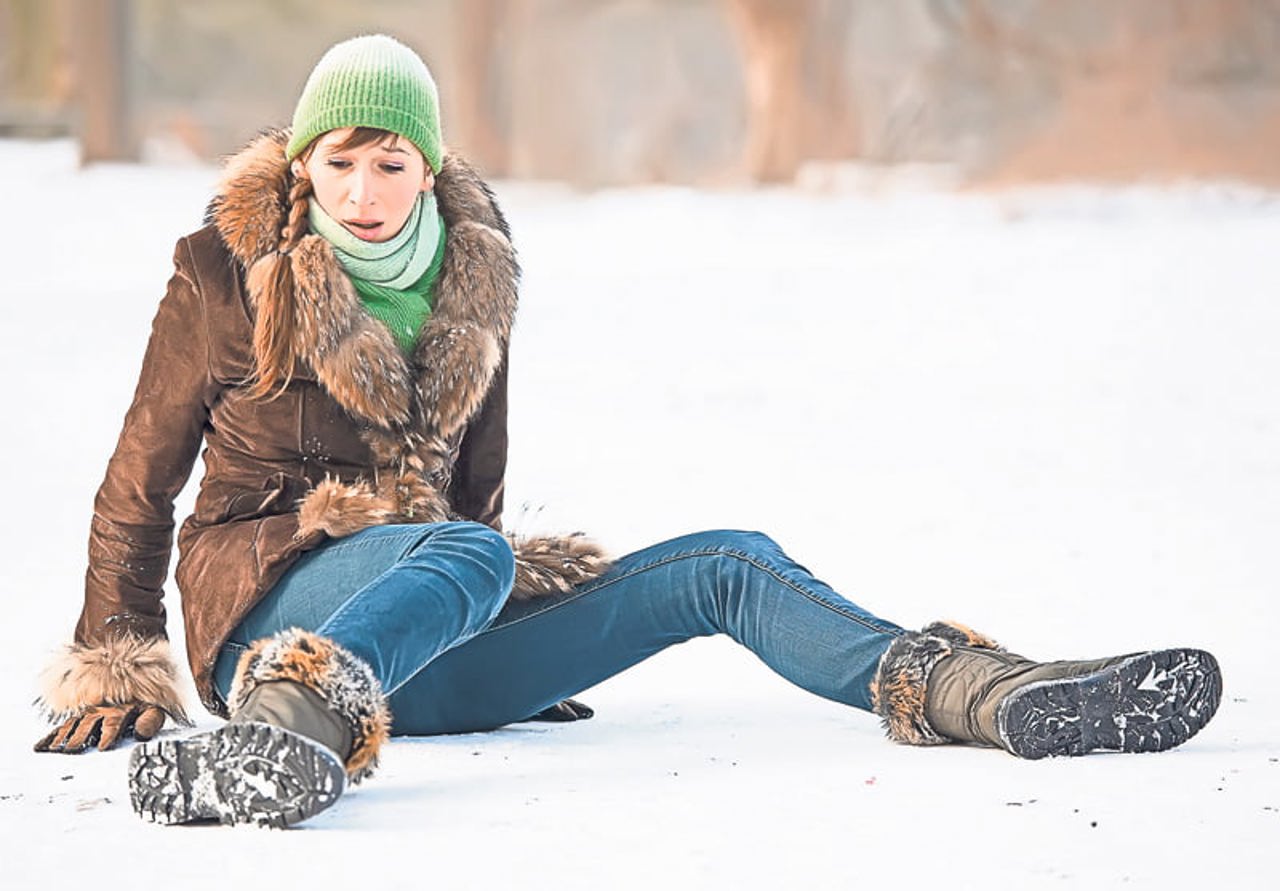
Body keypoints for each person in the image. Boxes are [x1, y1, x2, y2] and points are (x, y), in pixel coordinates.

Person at [34, 34, 1223, 828]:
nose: (360, 191)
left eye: (387, 161)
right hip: (266, 619)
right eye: (338, 162)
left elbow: (472, 487)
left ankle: (978, 692)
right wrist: (118, 663)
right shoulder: (222, 272)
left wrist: (495, 624)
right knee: (472, 553)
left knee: (724, 561)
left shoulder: (474, 278)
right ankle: (282, 743)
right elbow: (137, 483)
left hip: (415, 652)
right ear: (303, 164)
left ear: (424, 165)